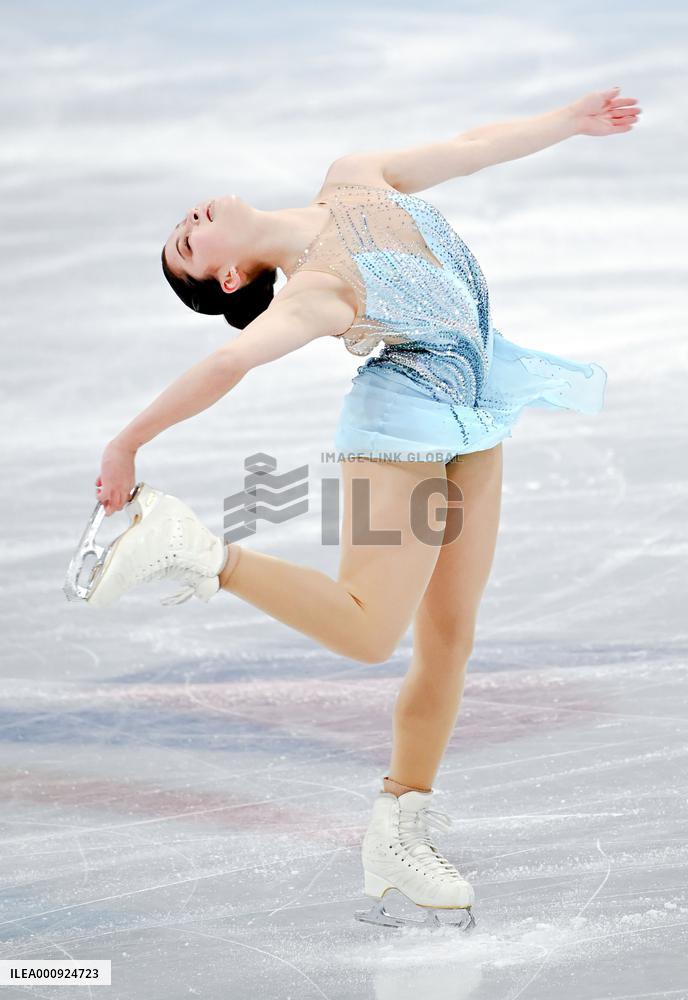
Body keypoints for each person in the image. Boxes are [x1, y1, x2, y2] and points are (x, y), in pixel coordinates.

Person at [90, 86, 640, 928]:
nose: (189, 220)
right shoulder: (315, 294)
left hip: (477, 411)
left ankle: (398, 826)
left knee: (450, 639)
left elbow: (472, 142)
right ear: (232, 276)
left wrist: (568, 123)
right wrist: (128, 442)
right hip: (403, 433)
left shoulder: (353, 179)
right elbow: (229, 365)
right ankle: (201, 551)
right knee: (367, 628)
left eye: (182, 225)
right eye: (186, 245)